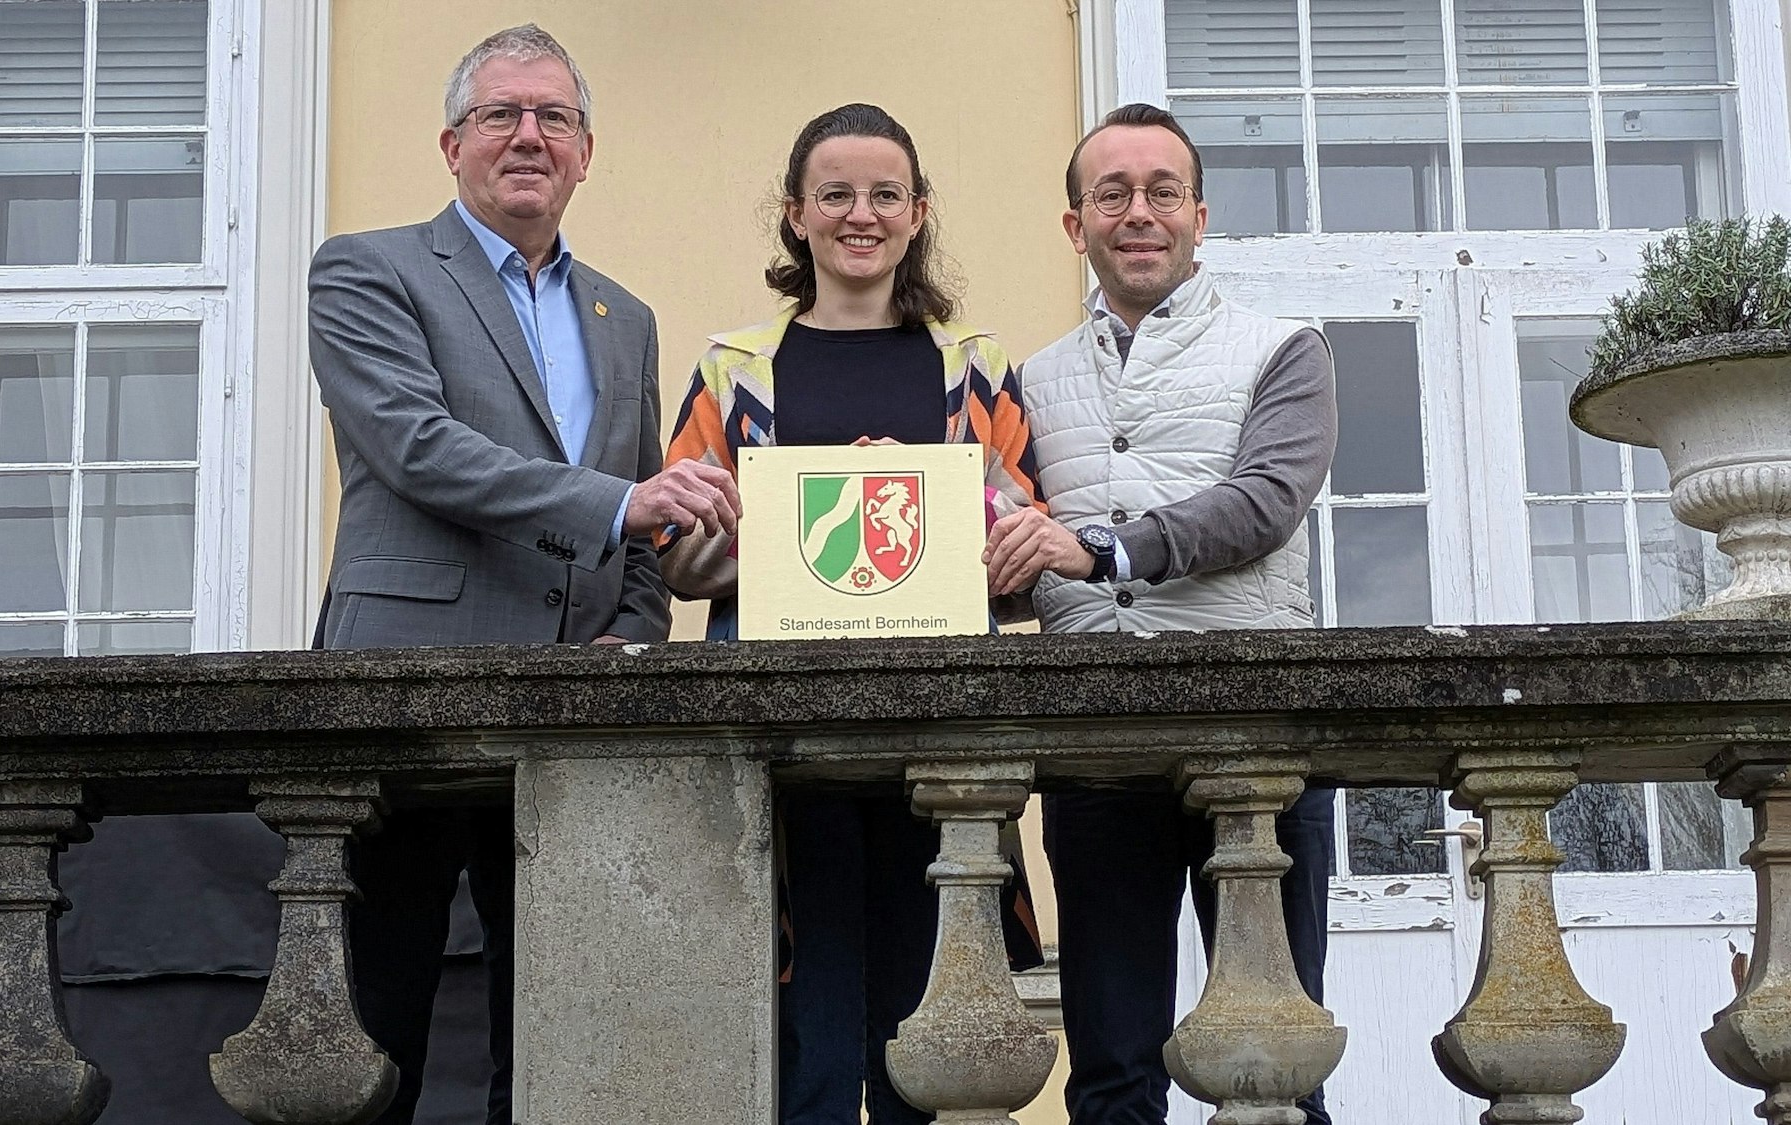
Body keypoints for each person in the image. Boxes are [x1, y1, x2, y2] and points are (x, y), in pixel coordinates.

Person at [305, 24, 739, 1125]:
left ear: (586, 152)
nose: (528, 136)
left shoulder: (624, 317)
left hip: (574, 709)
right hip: (404, 686)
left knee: (561, 1024)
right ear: (453, 143)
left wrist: (637, 640)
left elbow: (644, 513)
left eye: (554, 117)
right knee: (372, 1016)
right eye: (501, 114)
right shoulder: (367, 269)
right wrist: (618, 506)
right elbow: (416, 448)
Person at [658, 103, 1044, 1124]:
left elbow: (1022, 557)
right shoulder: (733, 369)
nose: (858, 214)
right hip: (782, 748)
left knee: (932, 1027)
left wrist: (917, 500)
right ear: (794, 214)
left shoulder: (973, 368)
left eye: (883, 194)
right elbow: (682, 560)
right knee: (805, 1034)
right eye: (833, 194)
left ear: (918, 213)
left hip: (940, 737)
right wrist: (815, 505)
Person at [982, 103, 1338, 1125]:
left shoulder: (1284, 351)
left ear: (1197, 215)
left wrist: (1098, 548)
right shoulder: (1029, 381)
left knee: (1273, 1060)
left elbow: (1263, 503)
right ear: (1074, 223)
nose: (1137, 213)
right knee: (1109, 1069)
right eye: (1111, 194)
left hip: (1256, 731)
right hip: (1093, 749)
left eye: (1160, 192)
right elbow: (1009, 550)